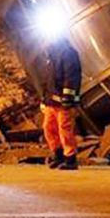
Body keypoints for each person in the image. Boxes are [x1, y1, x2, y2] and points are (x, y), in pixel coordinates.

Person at [40, 37, 82, 171]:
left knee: (65, 129)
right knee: (48, 128)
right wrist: (44, 100)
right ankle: (58, 155)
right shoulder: (51, 55)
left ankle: (70, 159)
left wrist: (68, 98)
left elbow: (72, 77)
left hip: (64, 103)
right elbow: (47, 81)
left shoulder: (68, 53)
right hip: (51, 102)